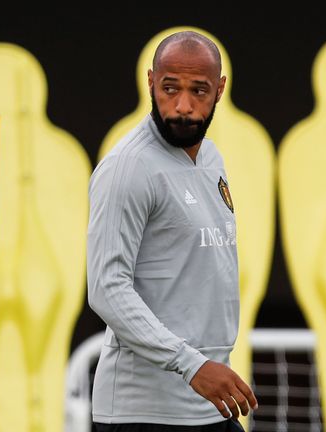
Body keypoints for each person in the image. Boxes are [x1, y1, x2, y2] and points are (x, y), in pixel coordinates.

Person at [87, 30, 258, 432]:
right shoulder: (128, 168)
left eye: (198, 91)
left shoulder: (212, 158)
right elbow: (107, 288)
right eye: (169, 89)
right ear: (150, 83)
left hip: (207, 407)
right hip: (144, 415)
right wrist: (192, 364)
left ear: (219, 90)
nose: (182, 106)